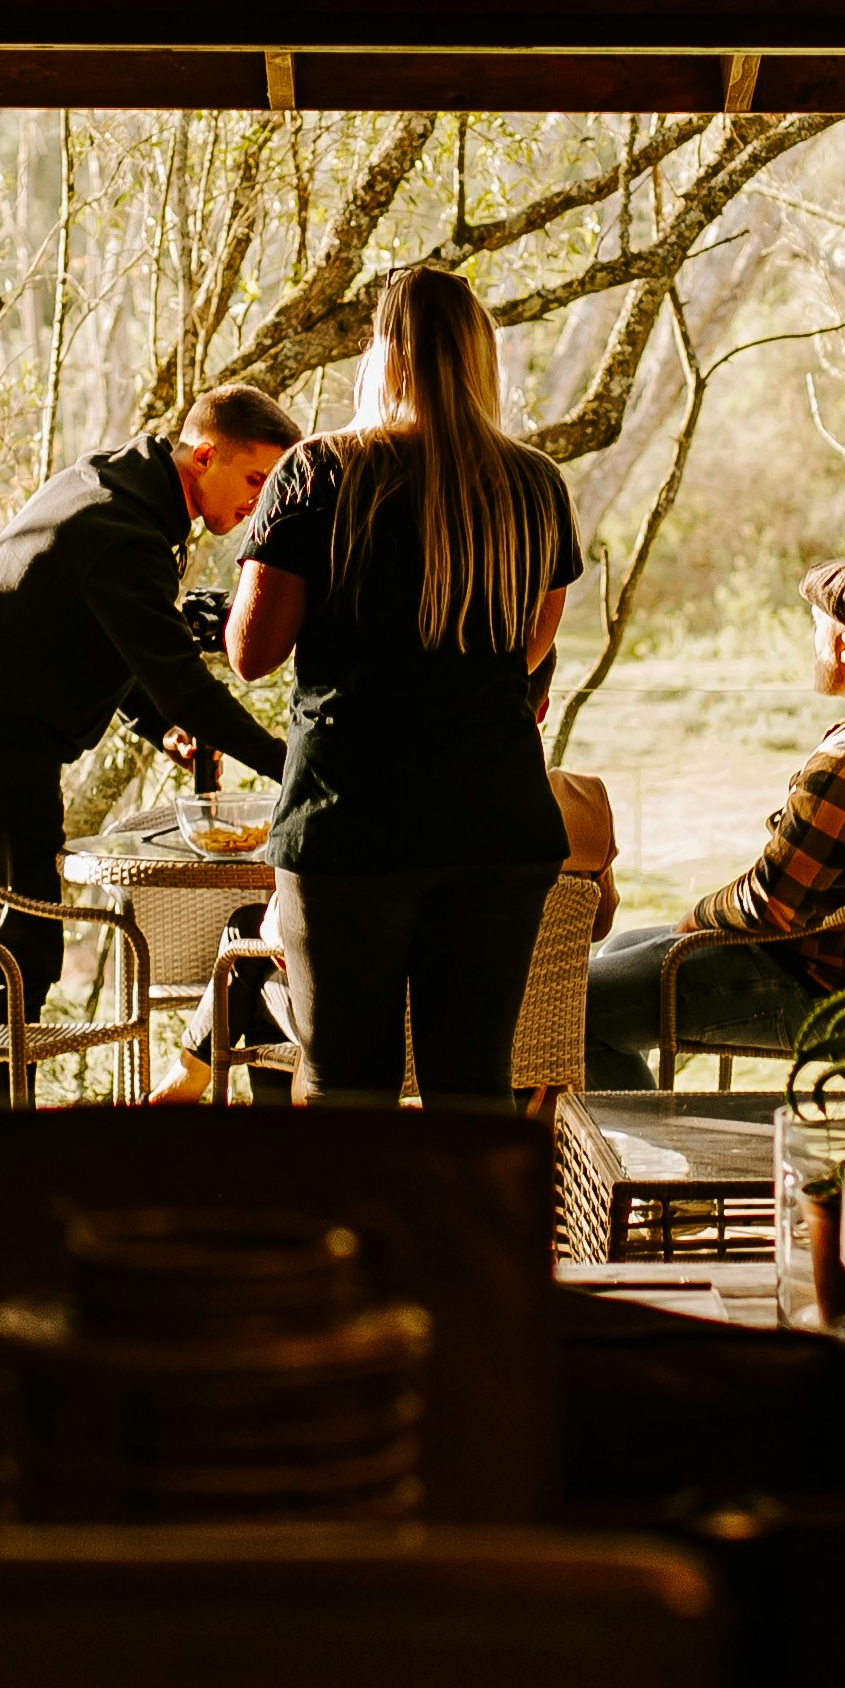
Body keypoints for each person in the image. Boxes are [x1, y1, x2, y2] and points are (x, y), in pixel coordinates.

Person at [228, 265, 585, 1112]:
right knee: (474, 1089)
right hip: (497, 824)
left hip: (352, 822)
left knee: (346, 1086)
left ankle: (357, 1243)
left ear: (380, 355)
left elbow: (252, 650)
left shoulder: (319, 474)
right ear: (479, 357)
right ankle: (463, 1244)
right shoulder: (535, 485)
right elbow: (533, 647)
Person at [0, 387, 300, 1045]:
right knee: (22, 952)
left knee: (8, 945)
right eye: (257, 479)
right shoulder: (121, 532)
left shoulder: (116, 490)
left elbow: (97, 635)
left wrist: (157, 727)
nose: (258, 502)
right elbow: (187, 691)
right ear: (206, 455)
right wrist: (294, 767)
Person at [591, 553, 845, 1079]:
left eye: (817, 629)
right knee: (623, 950)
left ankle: (630, 1160)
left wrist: (694, 921)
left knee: (574, 1009)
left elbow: (771, 904)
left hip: (822, 996)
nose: (812, 645)